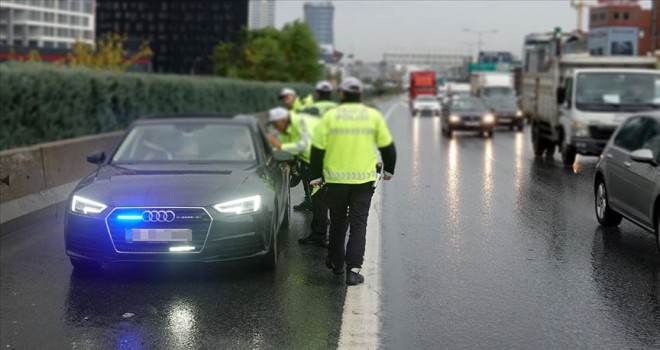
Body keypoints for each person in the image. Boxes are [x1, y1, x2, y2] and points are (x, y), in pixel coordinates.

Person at [309, 77, 397, 286]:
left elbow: (317, 149)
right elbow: (387, 147)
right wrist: (389, 170)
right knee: (359, 224)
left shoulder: (330, 116)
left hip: (335, 181)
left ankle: (336, 264)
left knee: (338, 222)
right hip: (364, 181)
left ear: (341, 94)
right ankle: (353, 271)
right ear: (360, 95)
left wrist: (316, 176)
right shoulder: (372, 116)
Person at [266, 107, 329, 246]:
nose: (275, 128)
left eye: (276, 124)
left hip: (321, 164)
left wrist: (281, 146)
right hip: (312, 163)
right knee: (317, 198)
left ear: (282, 120)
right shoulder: (290, 125)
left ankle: (321, 235)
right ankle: (319, 231)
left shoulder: (302, 123)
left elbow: (304, 145)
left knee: (320, 198)